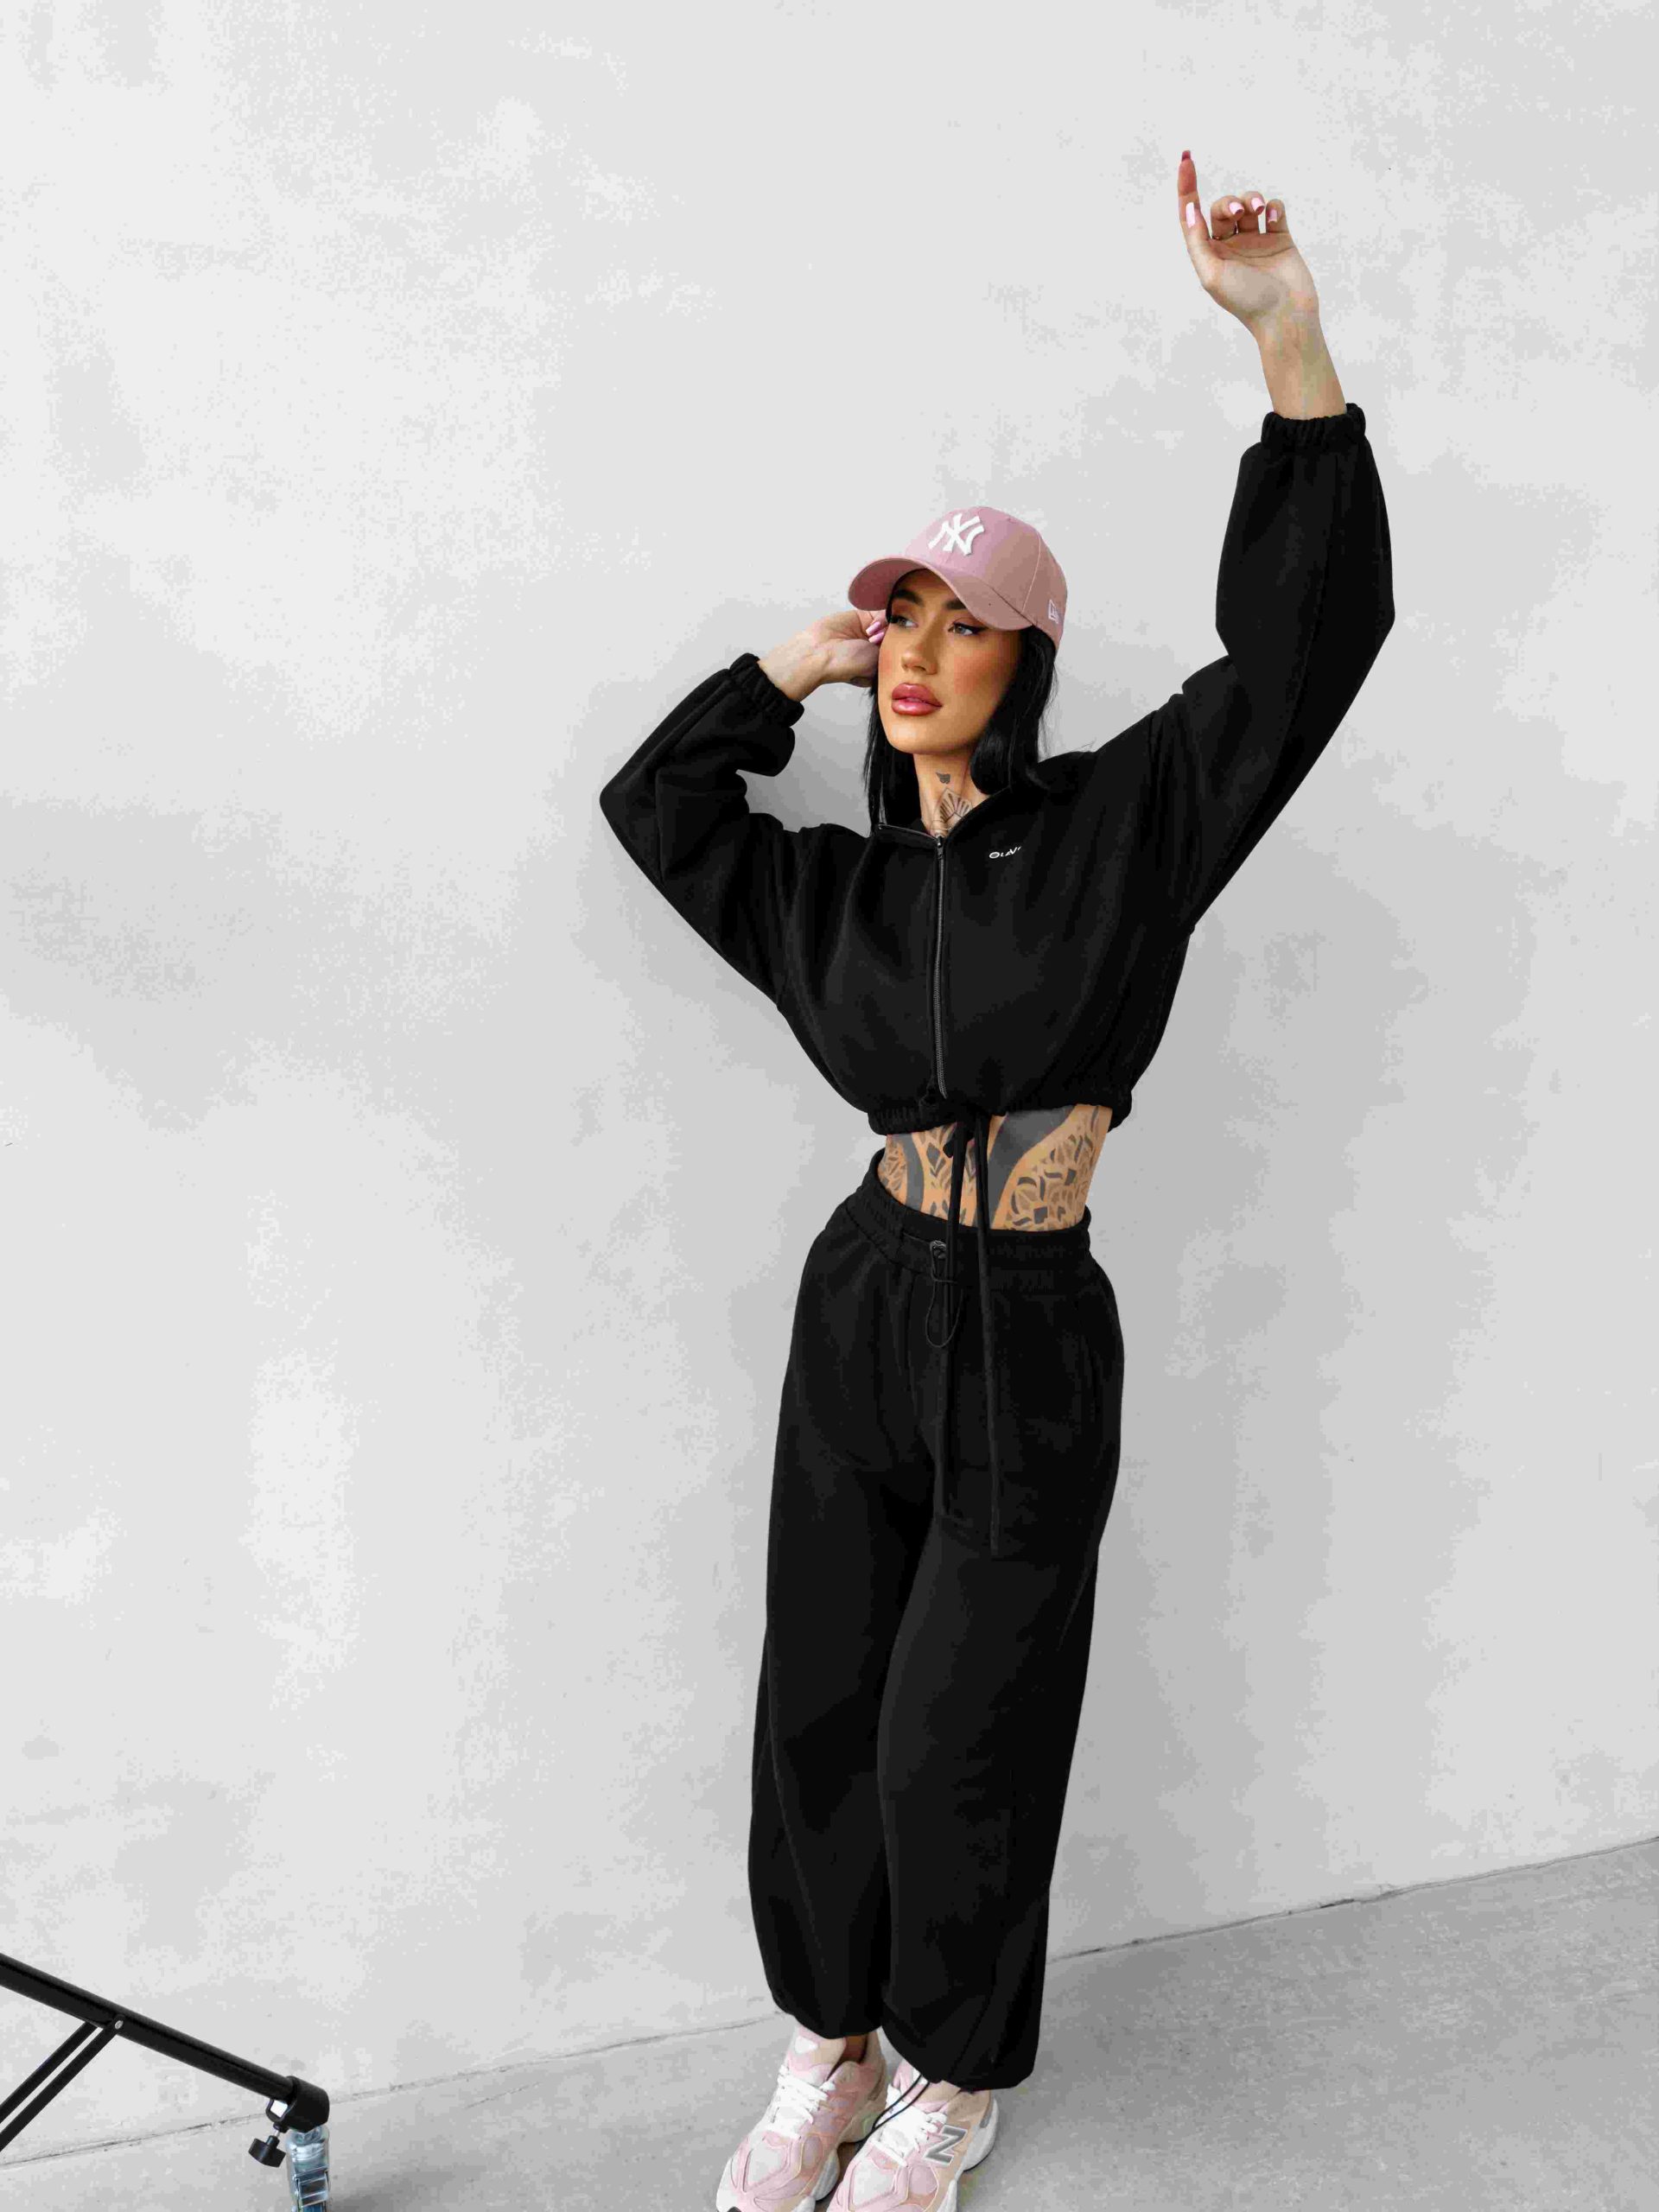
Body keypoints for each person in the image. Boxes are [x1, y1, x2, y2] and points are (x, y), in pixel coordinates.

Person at [597, 151, 1395, 2212]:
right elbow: (655, 804)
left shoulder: (1129, 824)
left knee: (965, 1730)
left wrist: (1286, 339)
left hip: (1030, 1320)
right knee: (823, 1711)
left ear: (1029, 659)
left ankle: (952, 2078)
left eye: (966, 624)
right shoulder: (831, 892)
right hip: (864, 1298)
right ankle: (830, 2046)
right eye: (904, 617)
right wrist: (786, 668)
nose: (923, 648)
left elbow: (1308, 650)